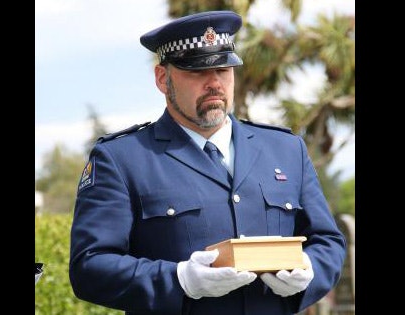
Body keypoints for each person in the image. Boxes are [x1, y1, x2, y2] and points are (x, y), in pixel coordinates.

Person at [69, 10, 346, 315]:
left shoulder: (285, 149)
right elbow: (90, 266)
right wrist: (179, 280)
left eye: (224, 70)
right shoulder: (122, 159)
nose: (214, 83)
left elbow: (328, 241)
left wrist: (309, 269)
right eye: (198, 71)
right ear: (163, 79)